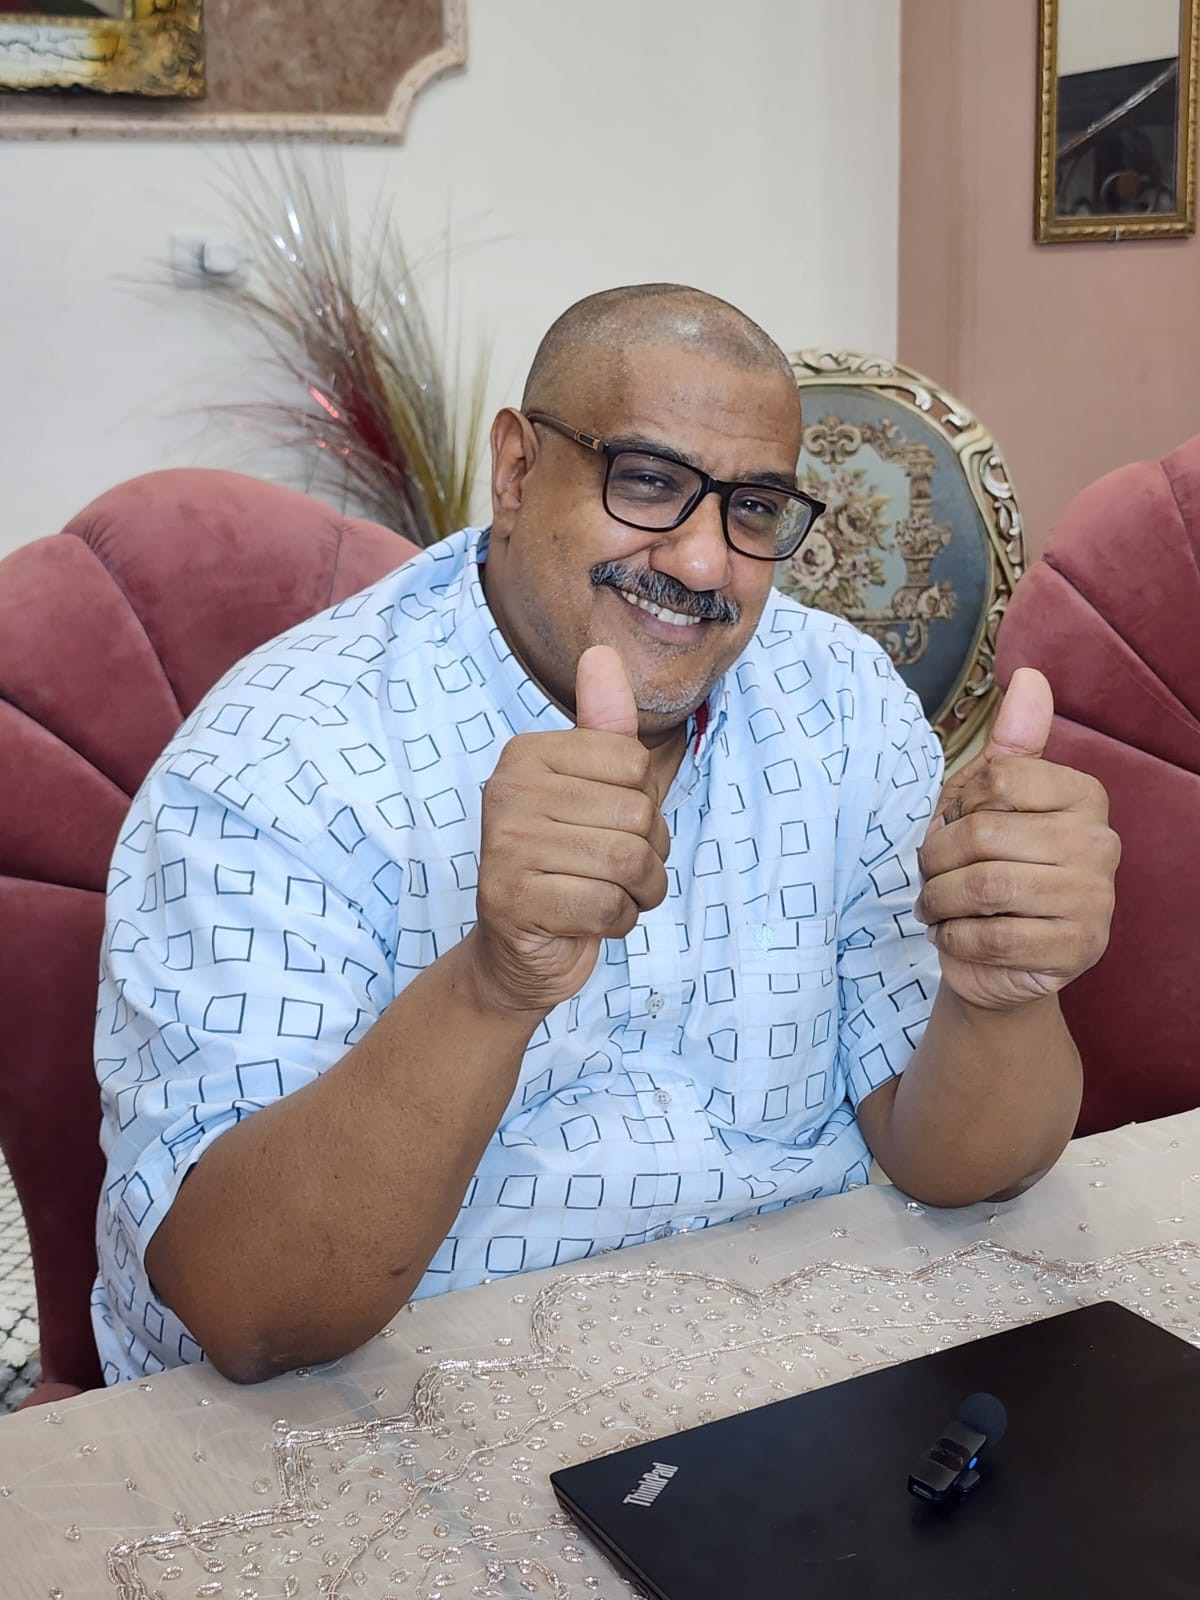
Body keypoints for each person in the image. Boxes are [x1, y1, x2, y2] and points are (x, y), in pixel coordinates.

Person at [91, 284, 1119, 1386]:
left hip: (800, 1374)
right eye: (650, 482)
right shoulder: (283, 759)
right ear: (517, 469)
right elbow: (249, 1314)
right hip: (417, 1399)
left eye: (754, 507)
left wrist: (1001, 994)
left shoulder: (842, 699)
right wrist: (495, 985)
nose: (703, 562)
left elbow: (958, 1168)